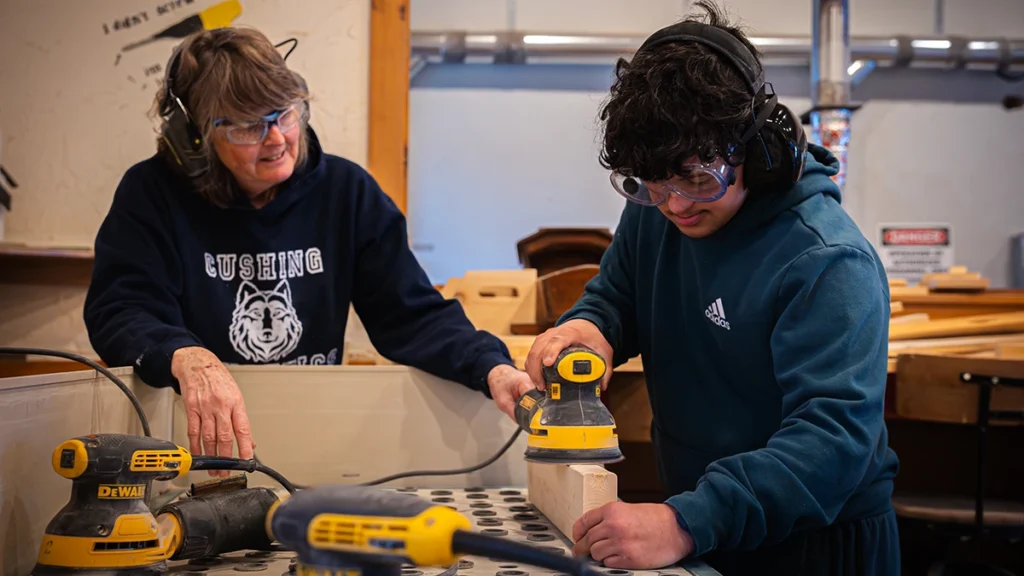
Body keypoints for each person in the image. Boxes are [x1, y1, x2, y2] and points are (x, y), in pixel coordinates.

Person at [506, 2, 901, 574]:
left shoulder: (826, 261)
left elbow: (831, 444)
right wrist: (588, 327)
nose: (676, 205)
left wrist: (684, 522)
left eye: (698, 178)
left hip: (815, 543)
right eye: (651, 185)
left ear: (760, 150)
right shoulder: (659, 208)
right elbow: (618, 295)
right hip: (709, 528)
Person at [83, 26, 534, 472]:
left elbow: (411, 314)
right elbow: (121, 308)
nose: (277, 138)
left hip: (307, 434)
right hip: (190, 444)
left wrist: (490, 367)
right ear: (194, 138)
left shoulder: (347, 191)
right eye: (247, 126)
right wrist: (187, 356)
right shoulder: (152, 193)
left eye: (284, 113)